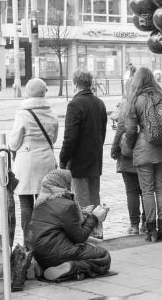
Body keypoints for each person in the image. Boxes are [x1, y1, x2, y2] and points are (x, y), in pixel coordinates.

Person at [30, 169, 111, 281]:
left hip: (39, 253)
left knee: (86, 251)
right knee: (103, 256)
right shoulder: (67, 205)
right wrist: (94, 218)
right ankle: (72, 266)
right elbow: (79, 236)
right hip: (57, 253)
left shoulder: (39, 202)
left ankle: (43, 266)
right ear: (64, 184)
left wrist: (84, 215)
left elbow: (61, 223)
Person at [124, 67, 162, 242]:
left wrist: (130, 146)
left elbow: (130, 130)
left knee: (147, 190)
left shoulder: (136, 100)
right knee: (161, 188)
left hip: (144, 148)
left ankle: (151, 230)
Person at [9, 78, 59, 247]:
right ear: (44, 92)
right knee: (44, 204)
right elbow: (54, 139)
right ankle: (44, 241)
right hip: (46, 161)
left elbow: (14, 142)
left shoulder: (23, 113)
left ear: (27, 93)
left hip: (26, 162)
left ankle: (28, 242)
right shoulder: (52, 112)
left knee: (25, 205)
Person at [59, 69, 108, 239]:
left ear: (75, 84)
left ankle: (86, 232)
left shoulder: (75, 104)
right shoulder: (99, 103)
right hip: (95, 158)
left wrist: (63, 159)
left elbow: (70, 137)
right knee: (94, 195)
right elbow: (102, 133)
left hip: (79, 159)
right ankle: (98, 229)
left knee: (81, 198)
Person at [111, 102, 147, 235]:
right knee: (146, 191)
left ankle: (134, 226)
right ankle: (146, 223)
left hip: (128, 156)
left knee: (131, 191)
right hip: (146, 153)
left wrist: (114, 150)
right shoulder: (147, 103)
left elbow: (120, 130)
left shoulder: (126, 107)